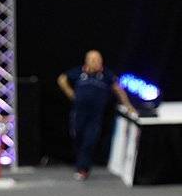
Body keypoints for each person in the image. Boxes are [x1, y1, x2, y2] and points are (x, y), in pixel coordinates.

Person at [56, 50, 135, 181]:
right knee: (78, 137)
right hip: (79, 113)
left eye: (98, 60)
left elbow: (118, 89)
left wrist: (128, 105)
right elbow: (62, 79)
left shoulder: (106, 75)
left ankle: (83, 169)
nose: (96, 63)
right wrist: (70, 93)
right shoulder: (79, 73)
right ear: (87, 61)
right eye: (93, 60)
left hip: (95, 115)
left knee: (90, 140)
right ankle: (80, 163)